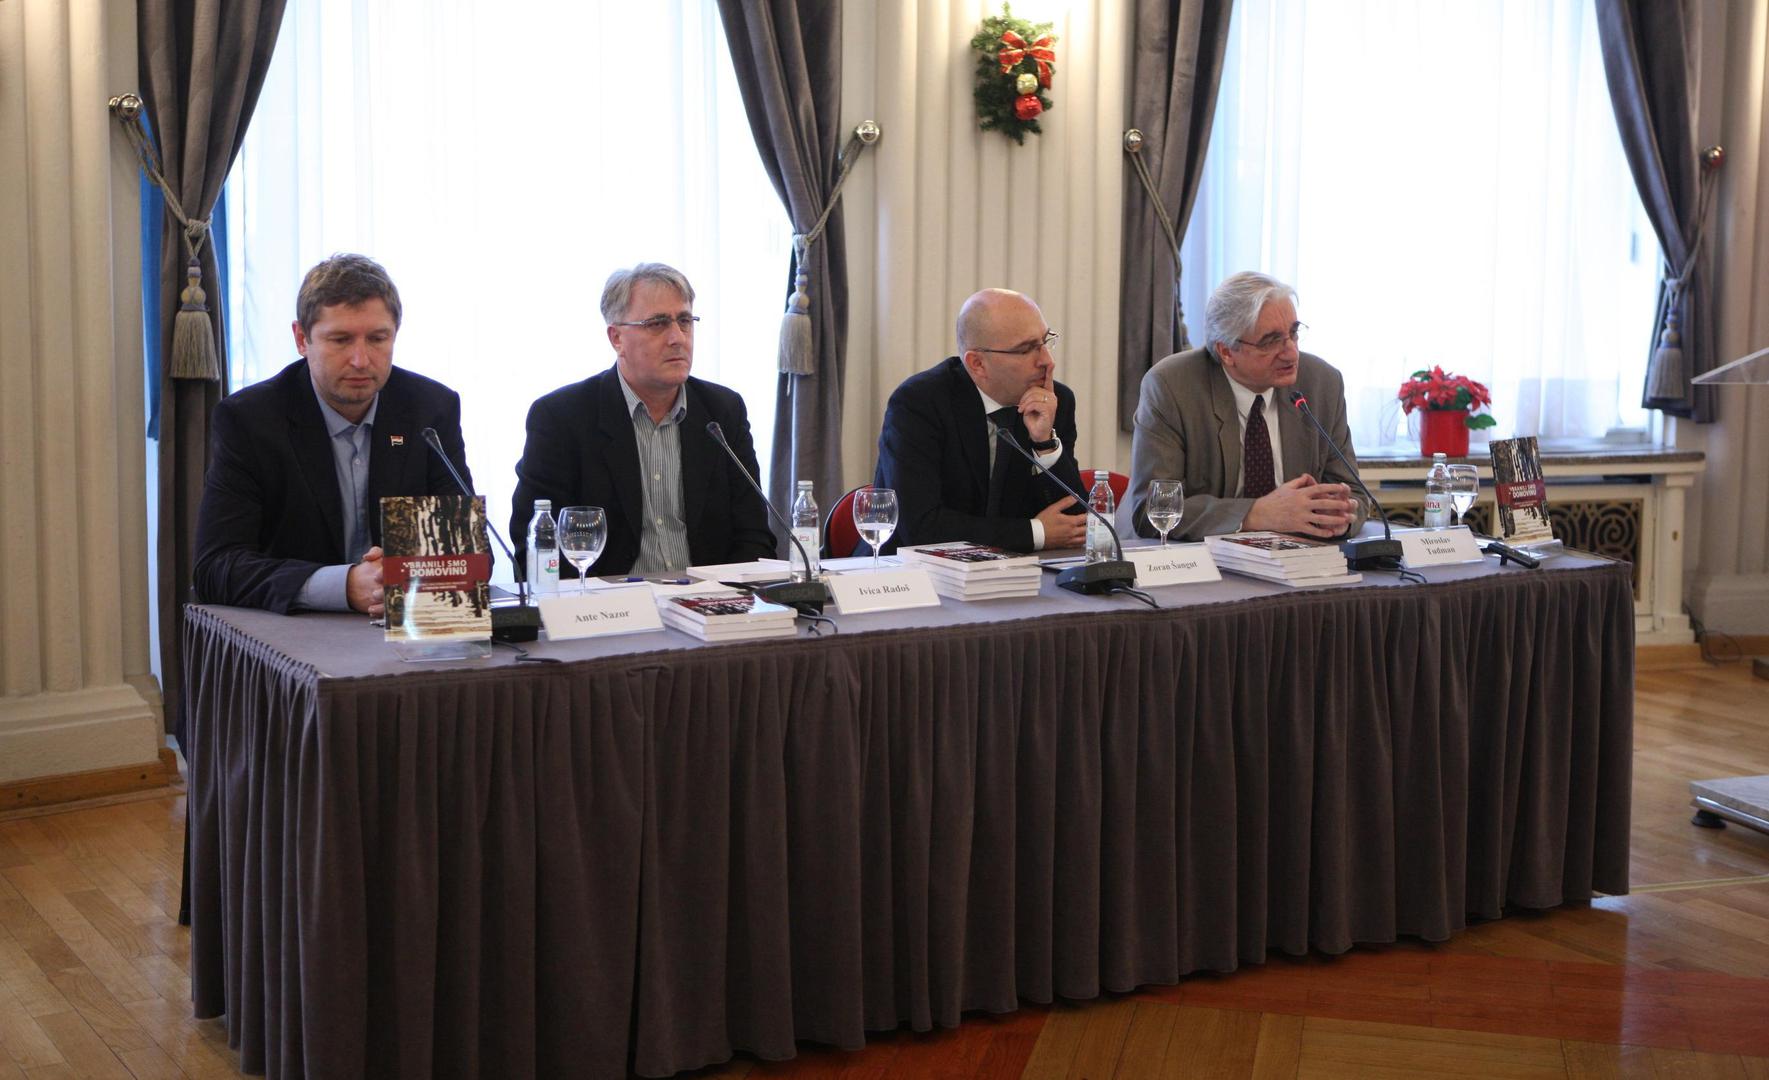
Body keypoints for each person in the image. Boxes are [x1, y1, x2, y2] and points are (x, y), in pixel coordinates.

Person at [193, 254, 471, 616]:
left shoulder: (430, 411)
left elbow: (467, 555)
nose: (360, 360)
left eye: (378, 339)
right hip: (297, 634)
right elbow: (216, 567)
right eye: (341, 340)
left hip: (406, 627)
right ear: (301, 339)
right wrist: (344, 584)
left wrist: (399, 576)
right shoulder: (251, 420)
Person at [510, 262, 775, 579]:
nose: (677, 338)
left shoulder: (722, 411)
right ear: (617, 338)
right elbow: (537, 546)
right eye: (657, 324)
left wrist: (724, 594)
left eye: (685, 321)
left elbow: (754, 536)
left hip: (708, 599)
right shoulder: (561, 418)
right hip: (609, 602)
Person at [1122, 271, 1367, 542]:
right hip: (1193, 557)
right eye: (1271, 341)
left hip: (1293, 554)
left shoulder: (1322, 383)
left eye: (1294, 333)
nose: (1291, 353)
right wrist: (1254, 514)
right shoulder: (1171, 387)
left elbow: (1355, 494)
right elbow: (1152, 510)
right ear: (1227, 351)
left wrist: (1337, 518)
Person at [873, 288, 1089, 553]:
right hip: (908, 571)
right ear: (977, 364)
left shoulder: (1053, 401)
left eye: (1045, 341)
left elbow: (1076, 524)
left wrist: (1044, 444)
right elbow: (921, 528)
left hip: (1020, 572)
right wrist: (1035, 532)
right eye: (1027, 349)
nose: (1047, 361)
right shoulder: (919, 403)